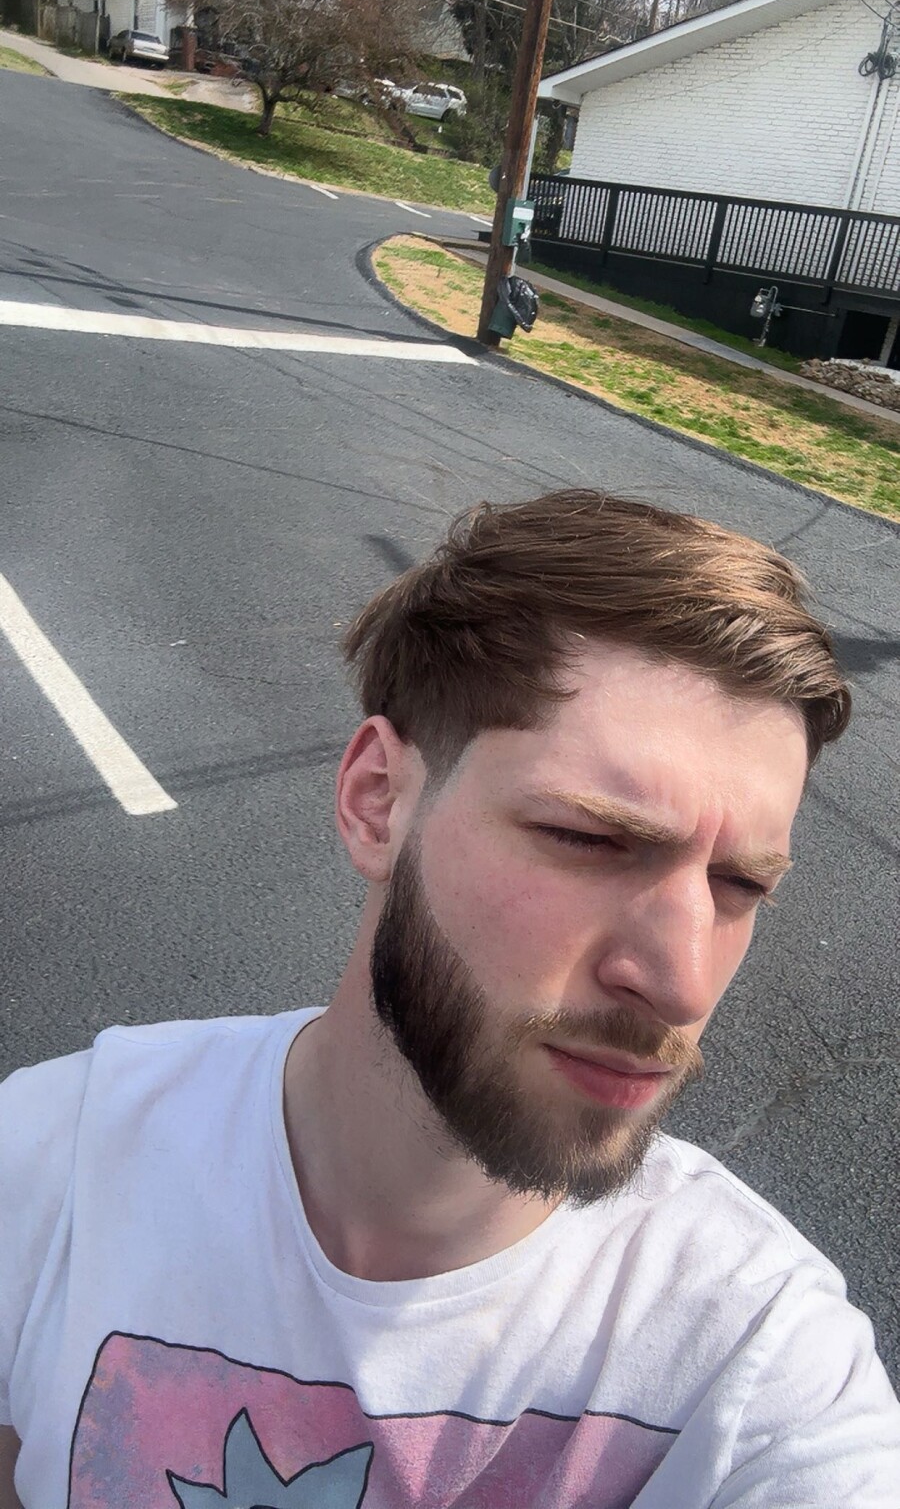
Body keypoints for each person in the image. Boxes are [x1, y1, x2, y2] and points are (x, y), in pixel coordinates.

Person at [1, 490, 897, 1509]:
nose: (683, 981)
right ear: (378, 800)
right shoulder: (51, 1166)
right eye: (589, 839)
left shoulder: (756, 1358)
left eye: (740, 885)